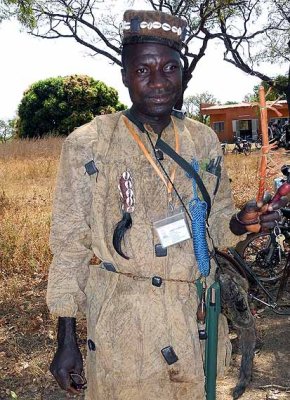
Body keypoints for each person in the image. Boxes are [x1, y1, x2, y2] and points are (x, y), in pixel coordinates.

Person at [47, 9, 286, 400]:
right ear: (125, 75)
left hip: (190, 319)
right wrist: (66, 338)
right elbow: (69, 245)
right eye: (143, 70)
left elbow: (217, 224)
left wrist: (242, 223)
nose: (157, 82)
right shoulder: (89, 143)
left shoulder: (202, 140)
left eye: (168, 68)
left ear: (182, 72)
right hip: (123, 323)